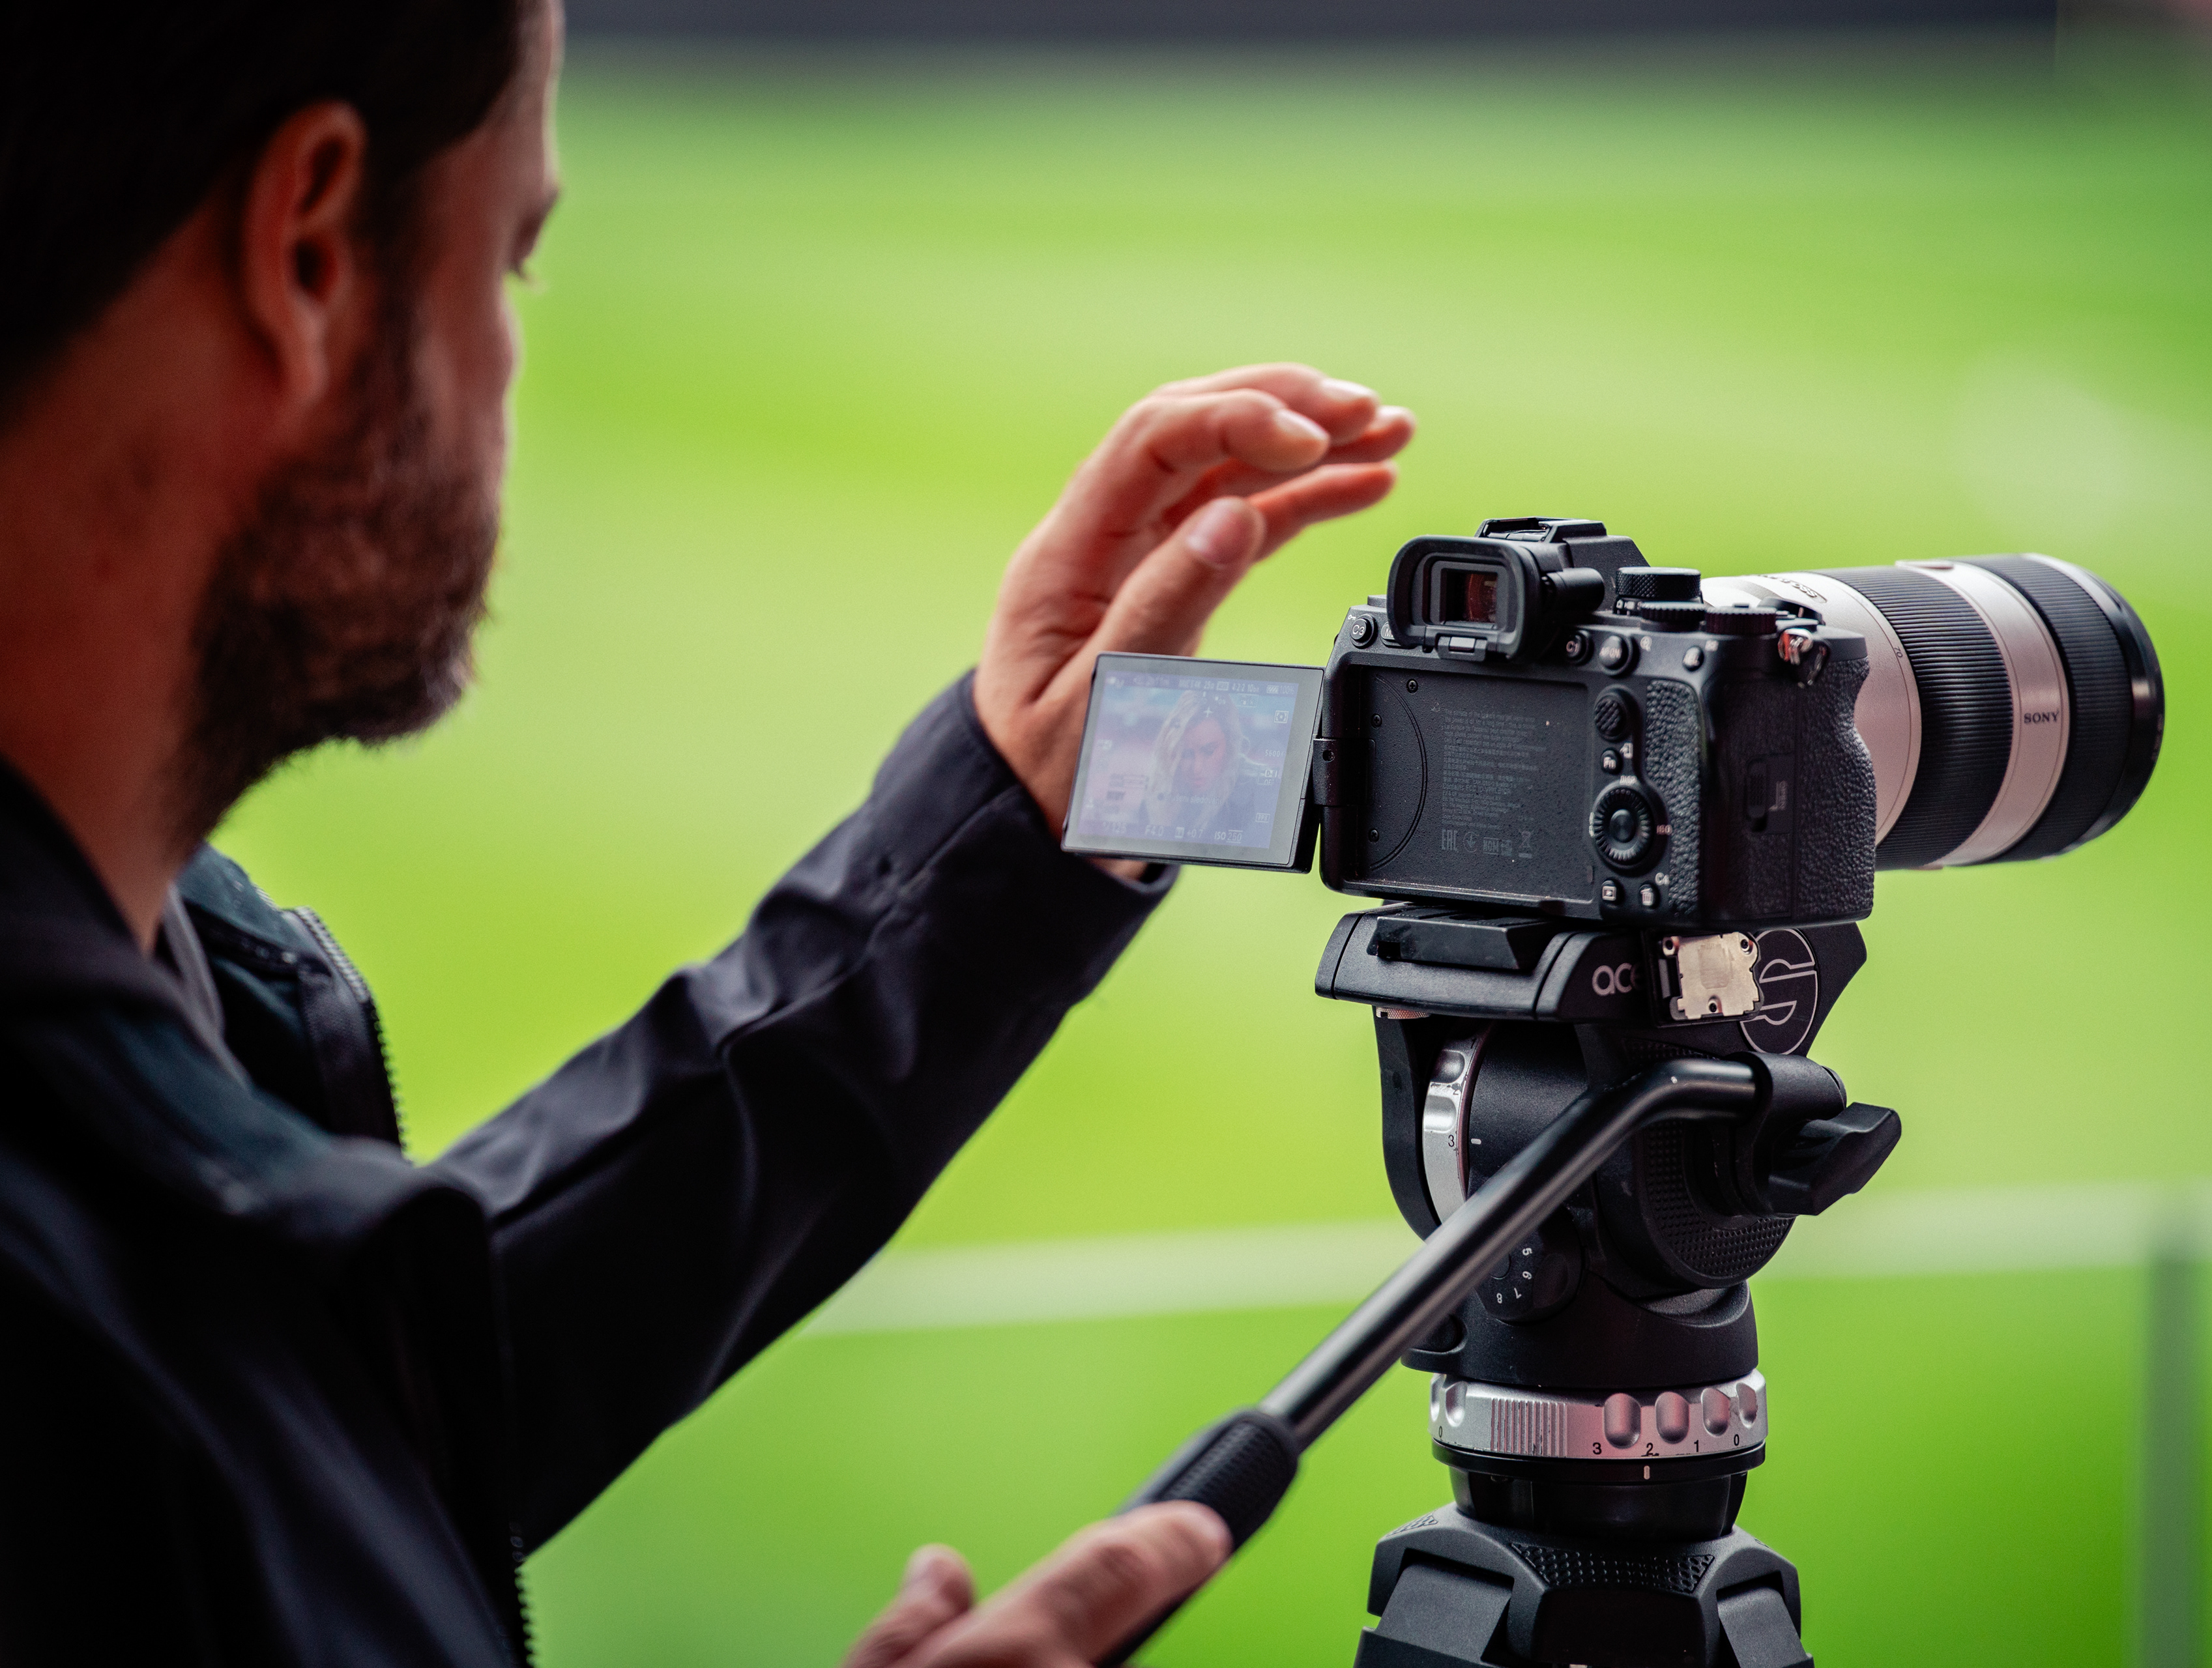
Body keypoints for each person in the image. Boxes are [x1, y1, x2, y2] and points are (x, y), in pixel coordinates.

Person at [0, 2, 1414, 1663]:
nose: (511, 357)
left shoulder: (123, 1002)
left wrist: (999, 847)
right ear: (308, 251)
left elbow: (318, 1427)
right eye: (513, 259)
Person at [1144, 691, 1269, 844]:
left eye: (1209, 751)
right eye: (1186, 754)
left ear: (1230, 747)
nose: (1196, 768)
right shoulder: (1160, 792)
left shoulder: (1260, 792)